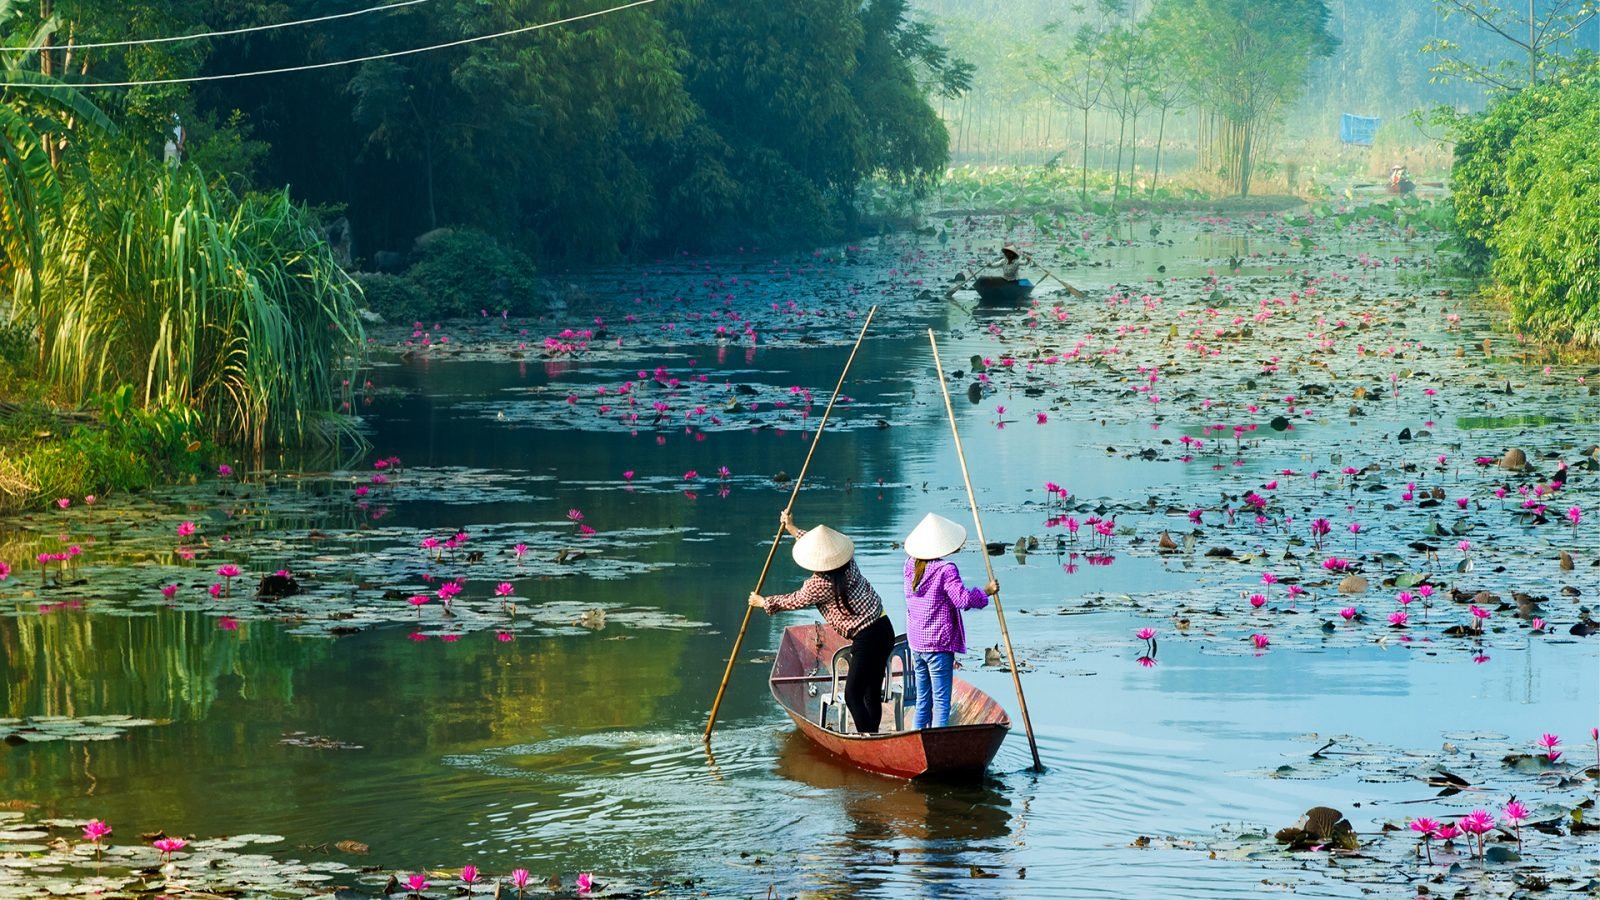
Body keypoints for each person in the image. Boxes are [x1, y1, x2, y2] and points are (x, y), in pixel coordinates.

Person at [749, 510, 895, 734]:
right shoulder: (849, 564)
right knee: (870, 691)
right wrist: (792, 528)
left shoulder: (817, 585)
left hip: (867, 637)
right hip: (885, 627)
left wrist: (763, 602)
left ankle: (868, 739)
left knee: (853, 694)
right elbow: (818, 549)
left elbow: (794, 600)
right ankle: (872, 735)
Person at [902, 513, 997, 730]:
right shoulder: (946, 570)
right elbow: (962, 600)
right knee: (942, 702)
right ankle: (937, 747)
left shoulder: (909, 565)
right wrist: (986, 592)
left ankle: (919, 743)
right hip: (938, 645)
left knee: (923, 701)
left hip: (917, 643)